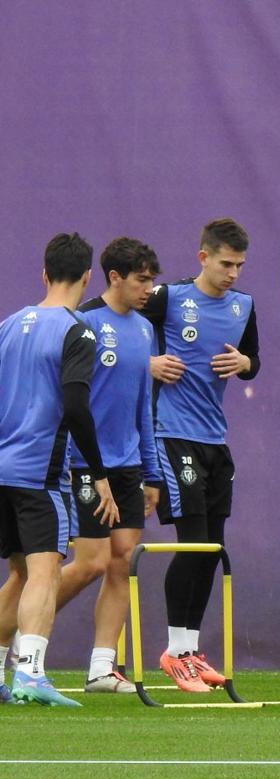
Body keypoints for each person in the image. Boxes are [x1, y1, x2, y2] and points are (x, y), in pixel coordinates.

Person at [0, 233, 118, 706]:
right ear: (88, 276)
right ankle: (29, 672)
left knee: (19, 576)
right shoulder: (78, 329)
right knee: (45, 571)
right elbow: (75, 404)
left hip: (3, 468)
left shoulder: (8, 325)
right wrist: (99, 470)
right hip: (39, 472)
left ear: (44, 273)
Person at [143, 218, 260, 692]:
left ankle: (190, 649)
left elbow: (253, 362)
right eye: (225, 263)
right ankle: (174, 652)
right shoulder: (169, 299)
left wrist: (245, 363)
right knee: (192, 545)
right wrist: (146, 362)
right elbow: (108, 318)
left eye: (239, 265)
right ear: (203, 258)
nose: (232, 273)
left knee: (212, 551)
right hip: (172, 434)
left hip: (216, 439)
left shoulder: (244, 306)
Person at [60, 238, 163, 692]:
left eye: (152, 280)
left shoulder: (144, 329)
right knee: (91, 563)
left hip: (127, 468)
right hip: (85, 464)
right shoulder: (82, 323)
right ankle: (20, 632)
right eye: (142, 279)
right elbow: (68, 404)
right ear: (114, 277)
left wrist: (151, 471)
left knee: (122, 562)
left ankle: (102, 668)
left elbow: (145, 407)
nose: (149, 289)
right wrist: (69, 464)